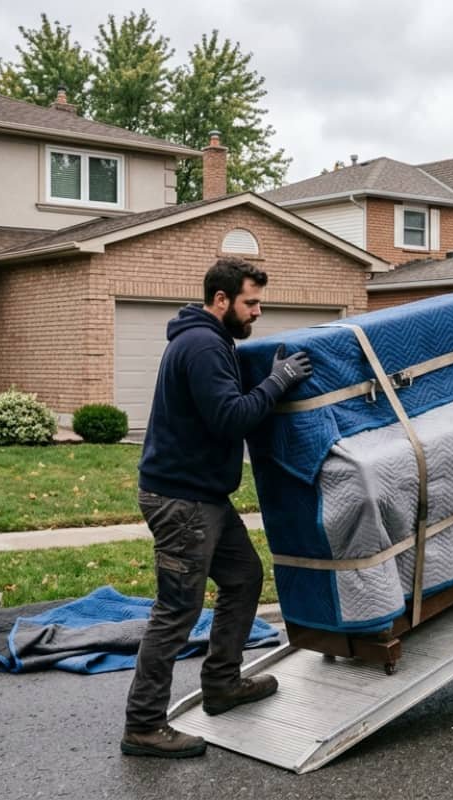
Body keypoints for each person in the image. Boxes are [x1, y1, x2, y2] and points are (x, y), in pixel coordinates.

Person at [121, 257, 313, 759]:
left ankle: (223, 684)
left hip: (201, 494)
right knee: (176, 612)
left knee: (244, 577)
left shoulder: (210, 340)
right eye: (250, 302)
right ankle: (142, 726)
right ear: (221, 300)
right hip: (181, 500)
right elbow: (231, 419)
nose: (257, 313)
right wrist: (279, 381)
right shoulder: (204, 344)